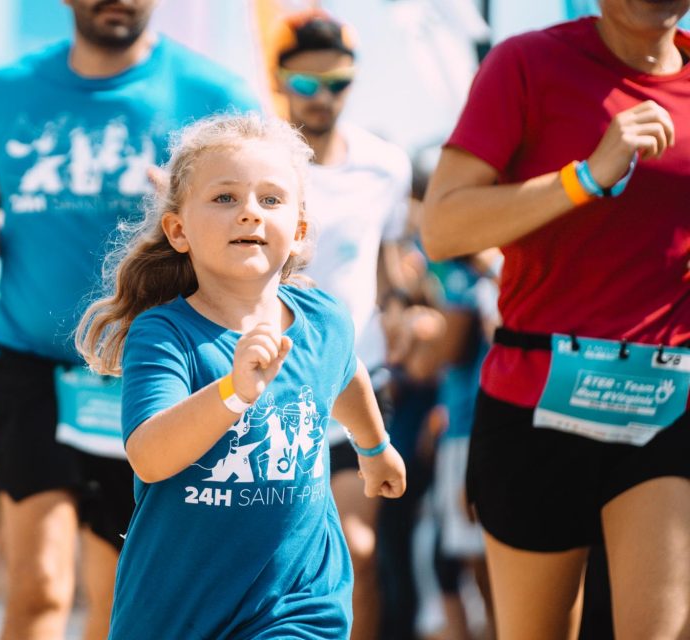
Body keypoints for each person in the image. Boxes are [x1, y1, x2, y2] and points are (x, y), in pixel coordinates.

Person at [0, 2, 260, 636]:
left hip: (153, 367)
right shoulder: (7, 90)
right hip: (28, 362)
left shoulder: (215, 93)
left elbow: (260, 225)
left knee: (124, 596)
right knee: (38, 584)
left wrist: (196, 206)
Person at [75, 113, 406, 638]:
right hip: (178, 612)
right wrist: (234, 390)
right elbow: (150, 455)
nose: (250, 213)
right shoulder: (165, 334)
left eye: (271, 200)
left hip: (298, 603)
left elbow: (344, 372)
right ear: (178, 230)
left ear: (297, 232)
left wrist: (373, 446)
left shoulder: (324, 319)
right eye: (225, 198)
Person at [421, 2, 690, 637]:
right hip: (534, 401)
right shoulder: (527, 63)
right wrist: (586, 179)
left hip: (665, 402)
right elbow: (440, 228)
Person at [271, 11, 414, 638]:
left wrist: (411, 307)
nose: (321, 97)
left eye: (336, 82)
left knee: (355, 549)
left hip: (358, 381)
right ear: (279, 81)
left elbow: (387, 265)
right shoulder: (258, 165)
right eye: (306, 84)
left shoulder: (386, 165)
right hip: (269, 384)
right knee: (272, 558)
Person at [428, 253, 498, 640]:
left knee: (479, 556)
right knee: (466, 558)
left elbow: (447, 351)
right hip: (465, 428)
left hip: (475, 432)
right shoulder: (474, 275)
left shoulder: (474, 277)